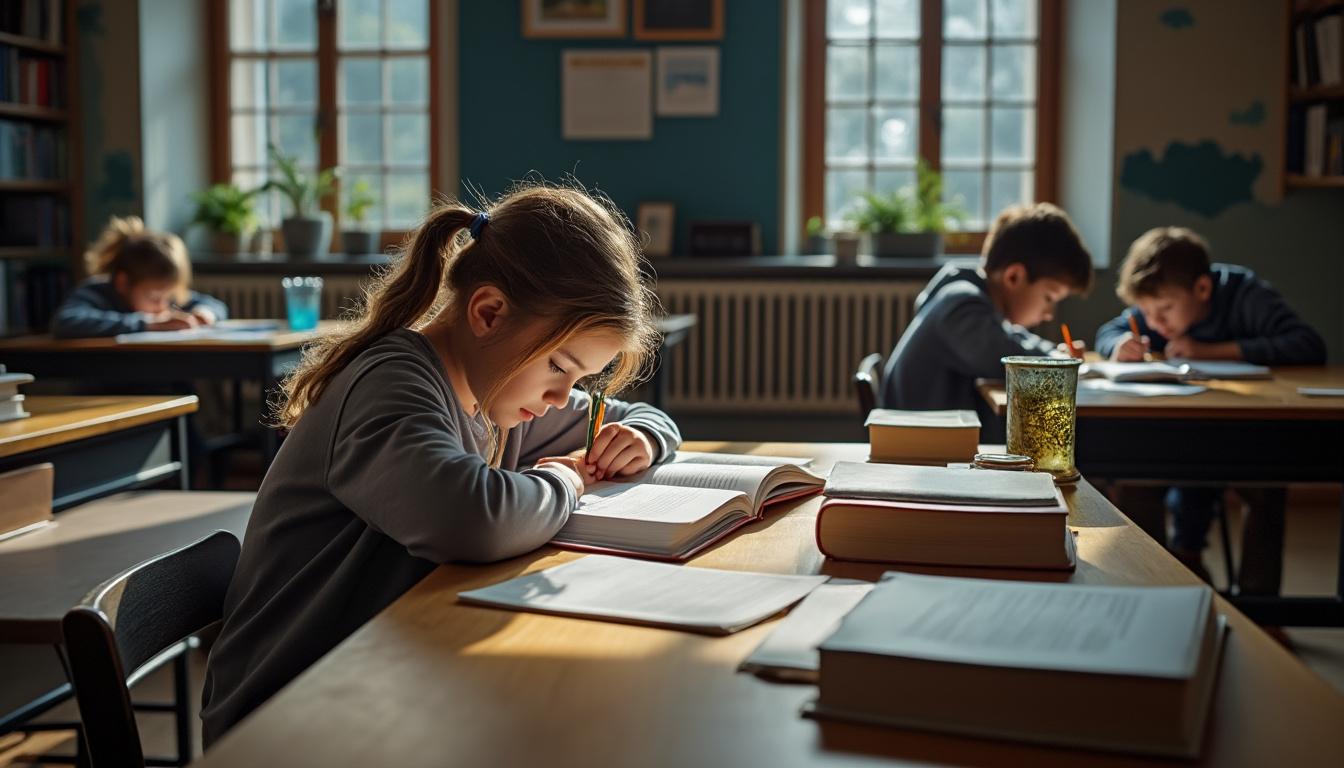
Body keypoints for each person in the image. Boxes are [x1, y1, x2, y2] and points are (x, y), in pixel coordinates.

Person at [200, 184, 682, 745]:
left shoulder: (499, 392)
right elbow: (470, 518)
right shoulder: (393, 385)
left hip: (382, 681)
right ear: (489, 313)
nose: (561, 397)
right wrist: (567, 477)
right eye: (559, 367)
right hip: (284, 719)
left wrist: (642, 436)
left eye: (579, 381)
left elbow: (634, 415)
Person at [1095, 226, 1325, 591]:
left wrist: (1213, 352)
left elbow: (1308, 344)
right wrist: (1118, 344)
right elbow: (1108, 332)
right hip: (1171, 435)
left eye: (1165, 310)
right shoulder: (1158, 311)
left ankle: (1261, 609)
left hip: (1246, 435)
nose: (1155, 324)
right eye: (1147, 313)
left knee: (1267, 488)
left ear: (1201, 289)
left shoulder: (1244, 294)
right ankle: (1154, 585)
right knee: (1136, 479)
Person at [881, 202, 1093, 439]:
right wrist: (1058, 362)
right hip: (918, 449)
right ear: (1014, 277)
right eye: (1049, 297)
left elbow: (1012, 336)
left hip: (932, 440)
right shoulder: (961, 304)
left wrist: (1055, 352)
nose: (1049, 314)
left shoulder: (971, 301)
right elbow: (1005, 356)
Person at [51, 216, 228, 338]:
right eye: (154, 298)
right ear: (123, 283)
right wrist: (148, 323)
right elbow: (65, 321)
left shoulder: (162, 298)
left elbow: (216, 305)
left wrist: (204, 314)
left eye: (169, 297)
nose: (162, 306)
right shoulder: (95, 293)